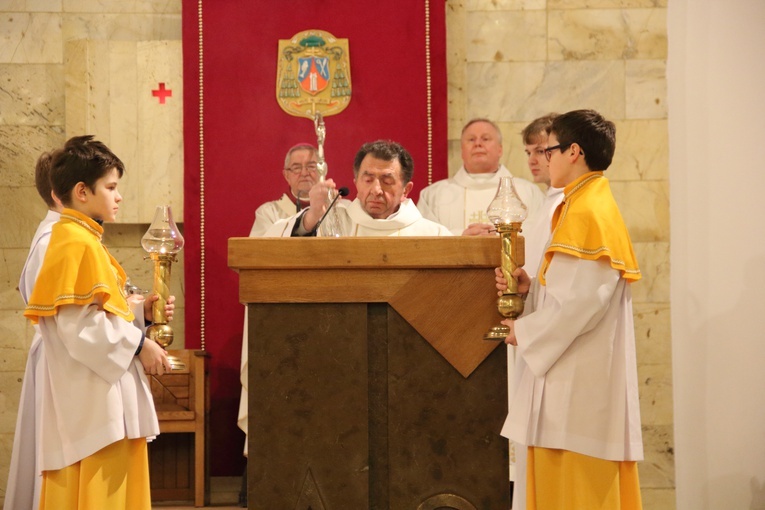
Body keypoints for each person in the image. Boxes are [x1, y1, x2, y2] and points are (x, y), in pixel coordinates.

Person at [496, 110, 643, 510]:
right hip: (571, 381)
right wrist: (531, 293)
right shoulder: (580, 205)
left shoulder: (588, 213)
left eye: (551, 150)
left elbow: (580, 304)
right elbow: (572, 291)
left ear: (574, 151)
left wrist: (522, 332)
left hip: (577, 393)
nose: (546, 159)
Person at [19, 135, 173, 509]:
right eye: (111, 187)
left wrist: (140, 314)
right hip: (95, 400)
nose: (118, 196)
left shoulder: (81, 237)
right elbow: (80, 328)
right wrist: (140, 344)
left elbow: (90, 311)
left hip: (95, 391)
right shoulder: (72, 241)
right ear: (81, 191)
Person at [502, 113, 562, 510]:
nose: (535, 160)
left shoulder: (566, 206)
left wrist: (529, 329)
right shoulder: (545, 205)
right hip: (534, 337)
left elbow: (573, 293)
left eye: (542, 151)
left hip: (551, 347)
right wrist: (525, 284)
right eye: (528, 153)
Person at [4, 151, 63, 510]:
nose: (117, 196)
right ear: (63, 192)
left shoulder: (64, 235)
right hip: (61, 362)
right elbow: (71, 318)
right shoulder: (55, 241)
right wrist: (135, 339)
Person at [269, 139, 452, 237]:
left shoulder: (433, 235)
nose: (376, 190)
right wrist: (312, 216)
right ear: (356, 181)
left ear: (406, 189)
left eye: (387, 181)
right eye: (368, 179)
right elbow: (272, 246)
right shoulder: (333, 225)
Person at [417, 118, 545, 236]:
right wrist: (461, 236)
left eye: (485, 139)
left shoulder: (529, 192)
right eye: (471, 139)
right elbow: (421, 236)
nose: (478, 144)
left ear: (500, 149)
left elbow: (541, 235)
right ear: (462, 150)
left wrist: (500, 236)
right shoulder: (433, 195)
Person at [248, 143, 319, 236]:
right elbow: (259, 249)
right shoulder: (268, 214)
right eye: (296, 168)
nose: (304, 173)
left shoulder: (341, 209)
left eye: (311, 166)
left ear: (322, 170)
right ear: (286, 176)